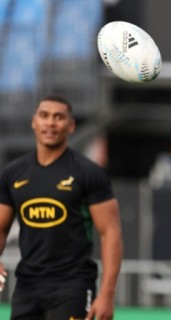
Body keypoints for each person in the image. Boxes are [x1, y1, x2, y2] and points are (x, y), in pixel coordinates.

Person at [0, 95, 123, 320]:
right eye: (44, 116)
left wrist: (107, 294)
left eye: (59, 117)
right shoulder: (13, 173)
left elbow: (111, 233)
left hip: (73, 286)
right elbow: (1, 227)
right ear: (34, 122)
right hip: (27, 286)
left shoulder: (89, 173)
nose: (50, 123)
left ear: (71, 125)